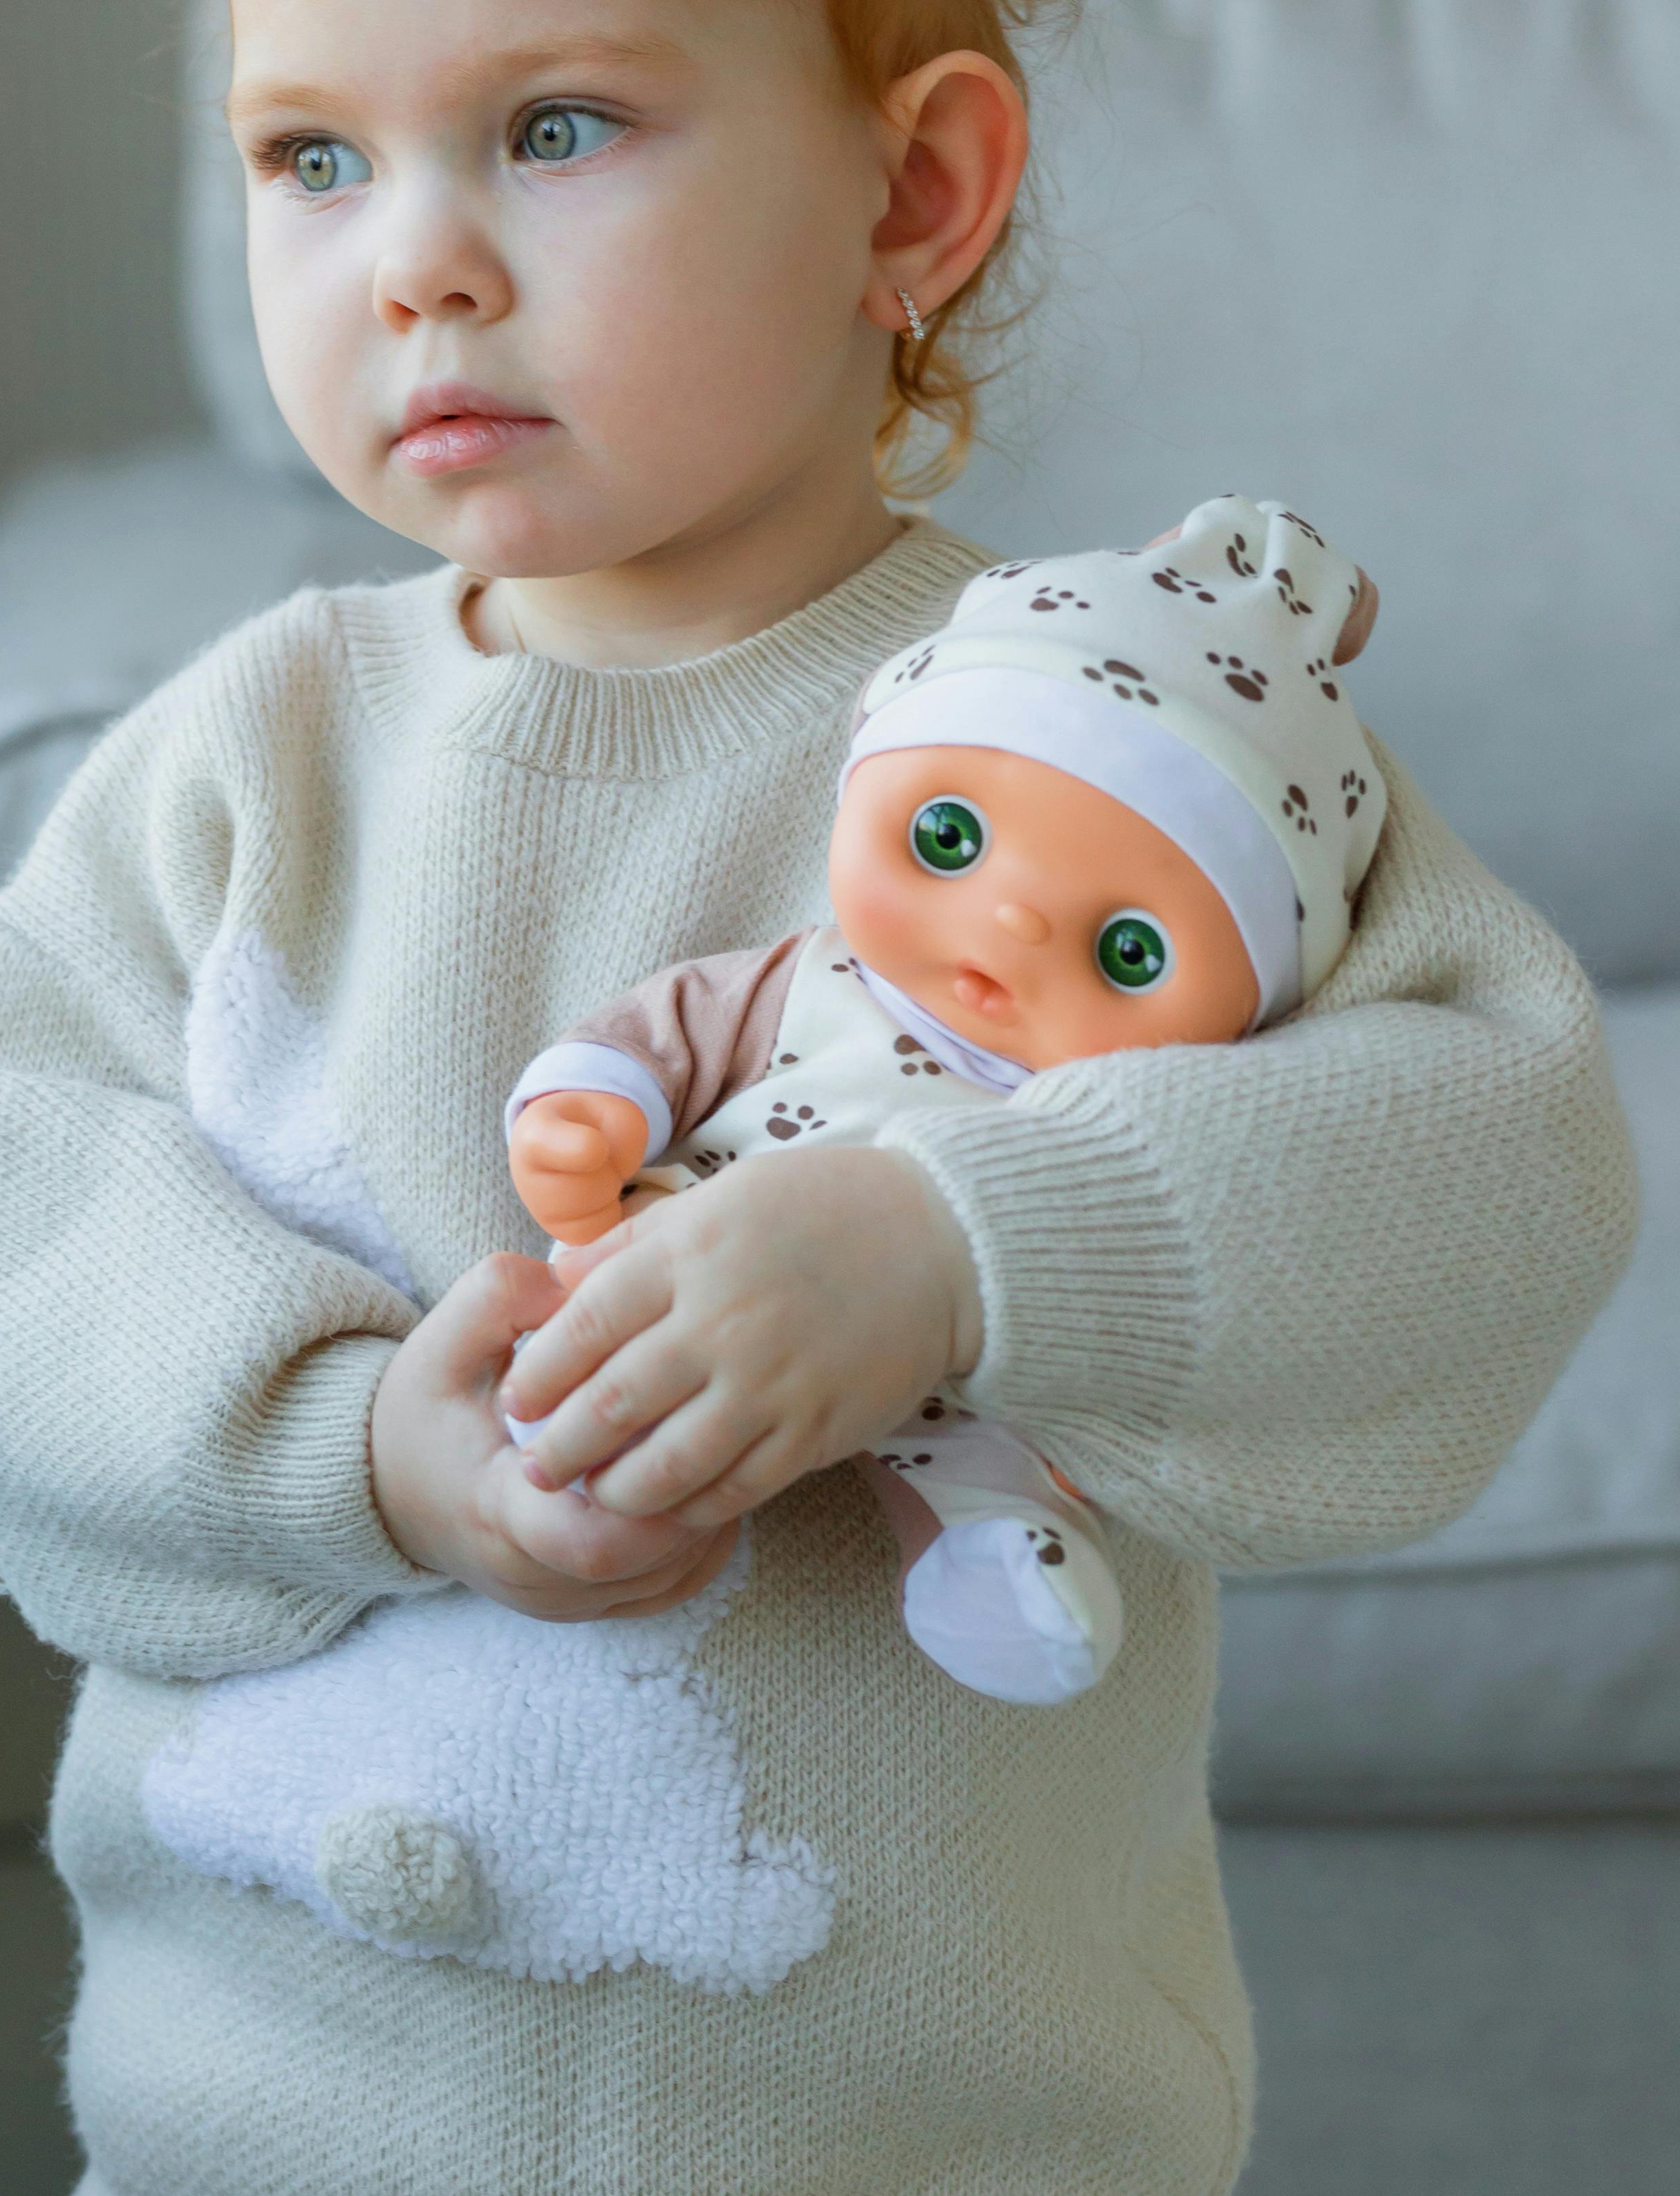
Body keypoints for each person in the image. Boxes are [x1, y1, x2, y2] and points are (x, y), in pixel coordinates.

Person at [0, 0, 1635, 2196]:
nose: (409, 257)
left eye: (551, 127)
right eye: (307, 156)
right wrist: (355, 1438)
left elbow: (1491, 1148)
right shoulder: (236, 763)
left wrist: (968, 1245)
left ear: (910, 199)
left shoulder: (1097, 734)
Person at [501, 494, 1389, 1707]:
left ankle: (980, 1550)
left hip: (973, 1351)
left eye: (1128, 951)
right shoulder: (807, 977)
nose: (1012, 923)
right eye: (948, 837)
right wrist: (588, 1109)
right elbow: (668, 1033)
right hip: (688, 1234)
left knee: (989, 1455)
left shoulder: (1116, 1121)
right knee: (607, 1322)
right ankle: (573, 1450)